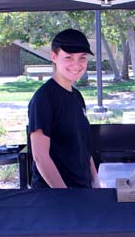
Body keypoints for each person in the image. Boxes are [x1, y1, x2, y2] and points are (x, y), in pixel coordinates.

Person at [27, 28, 100, 189]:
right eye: (68, 57)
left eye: (82, 58)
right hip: (55, 197)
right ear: (54, 57)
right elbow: (40, 157)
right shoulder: (43, 99)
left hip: (81, 190)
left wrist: (95, 179)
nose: (76, 64)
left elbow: (83, 146)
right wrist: (64, 195)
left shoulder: (77, 96)